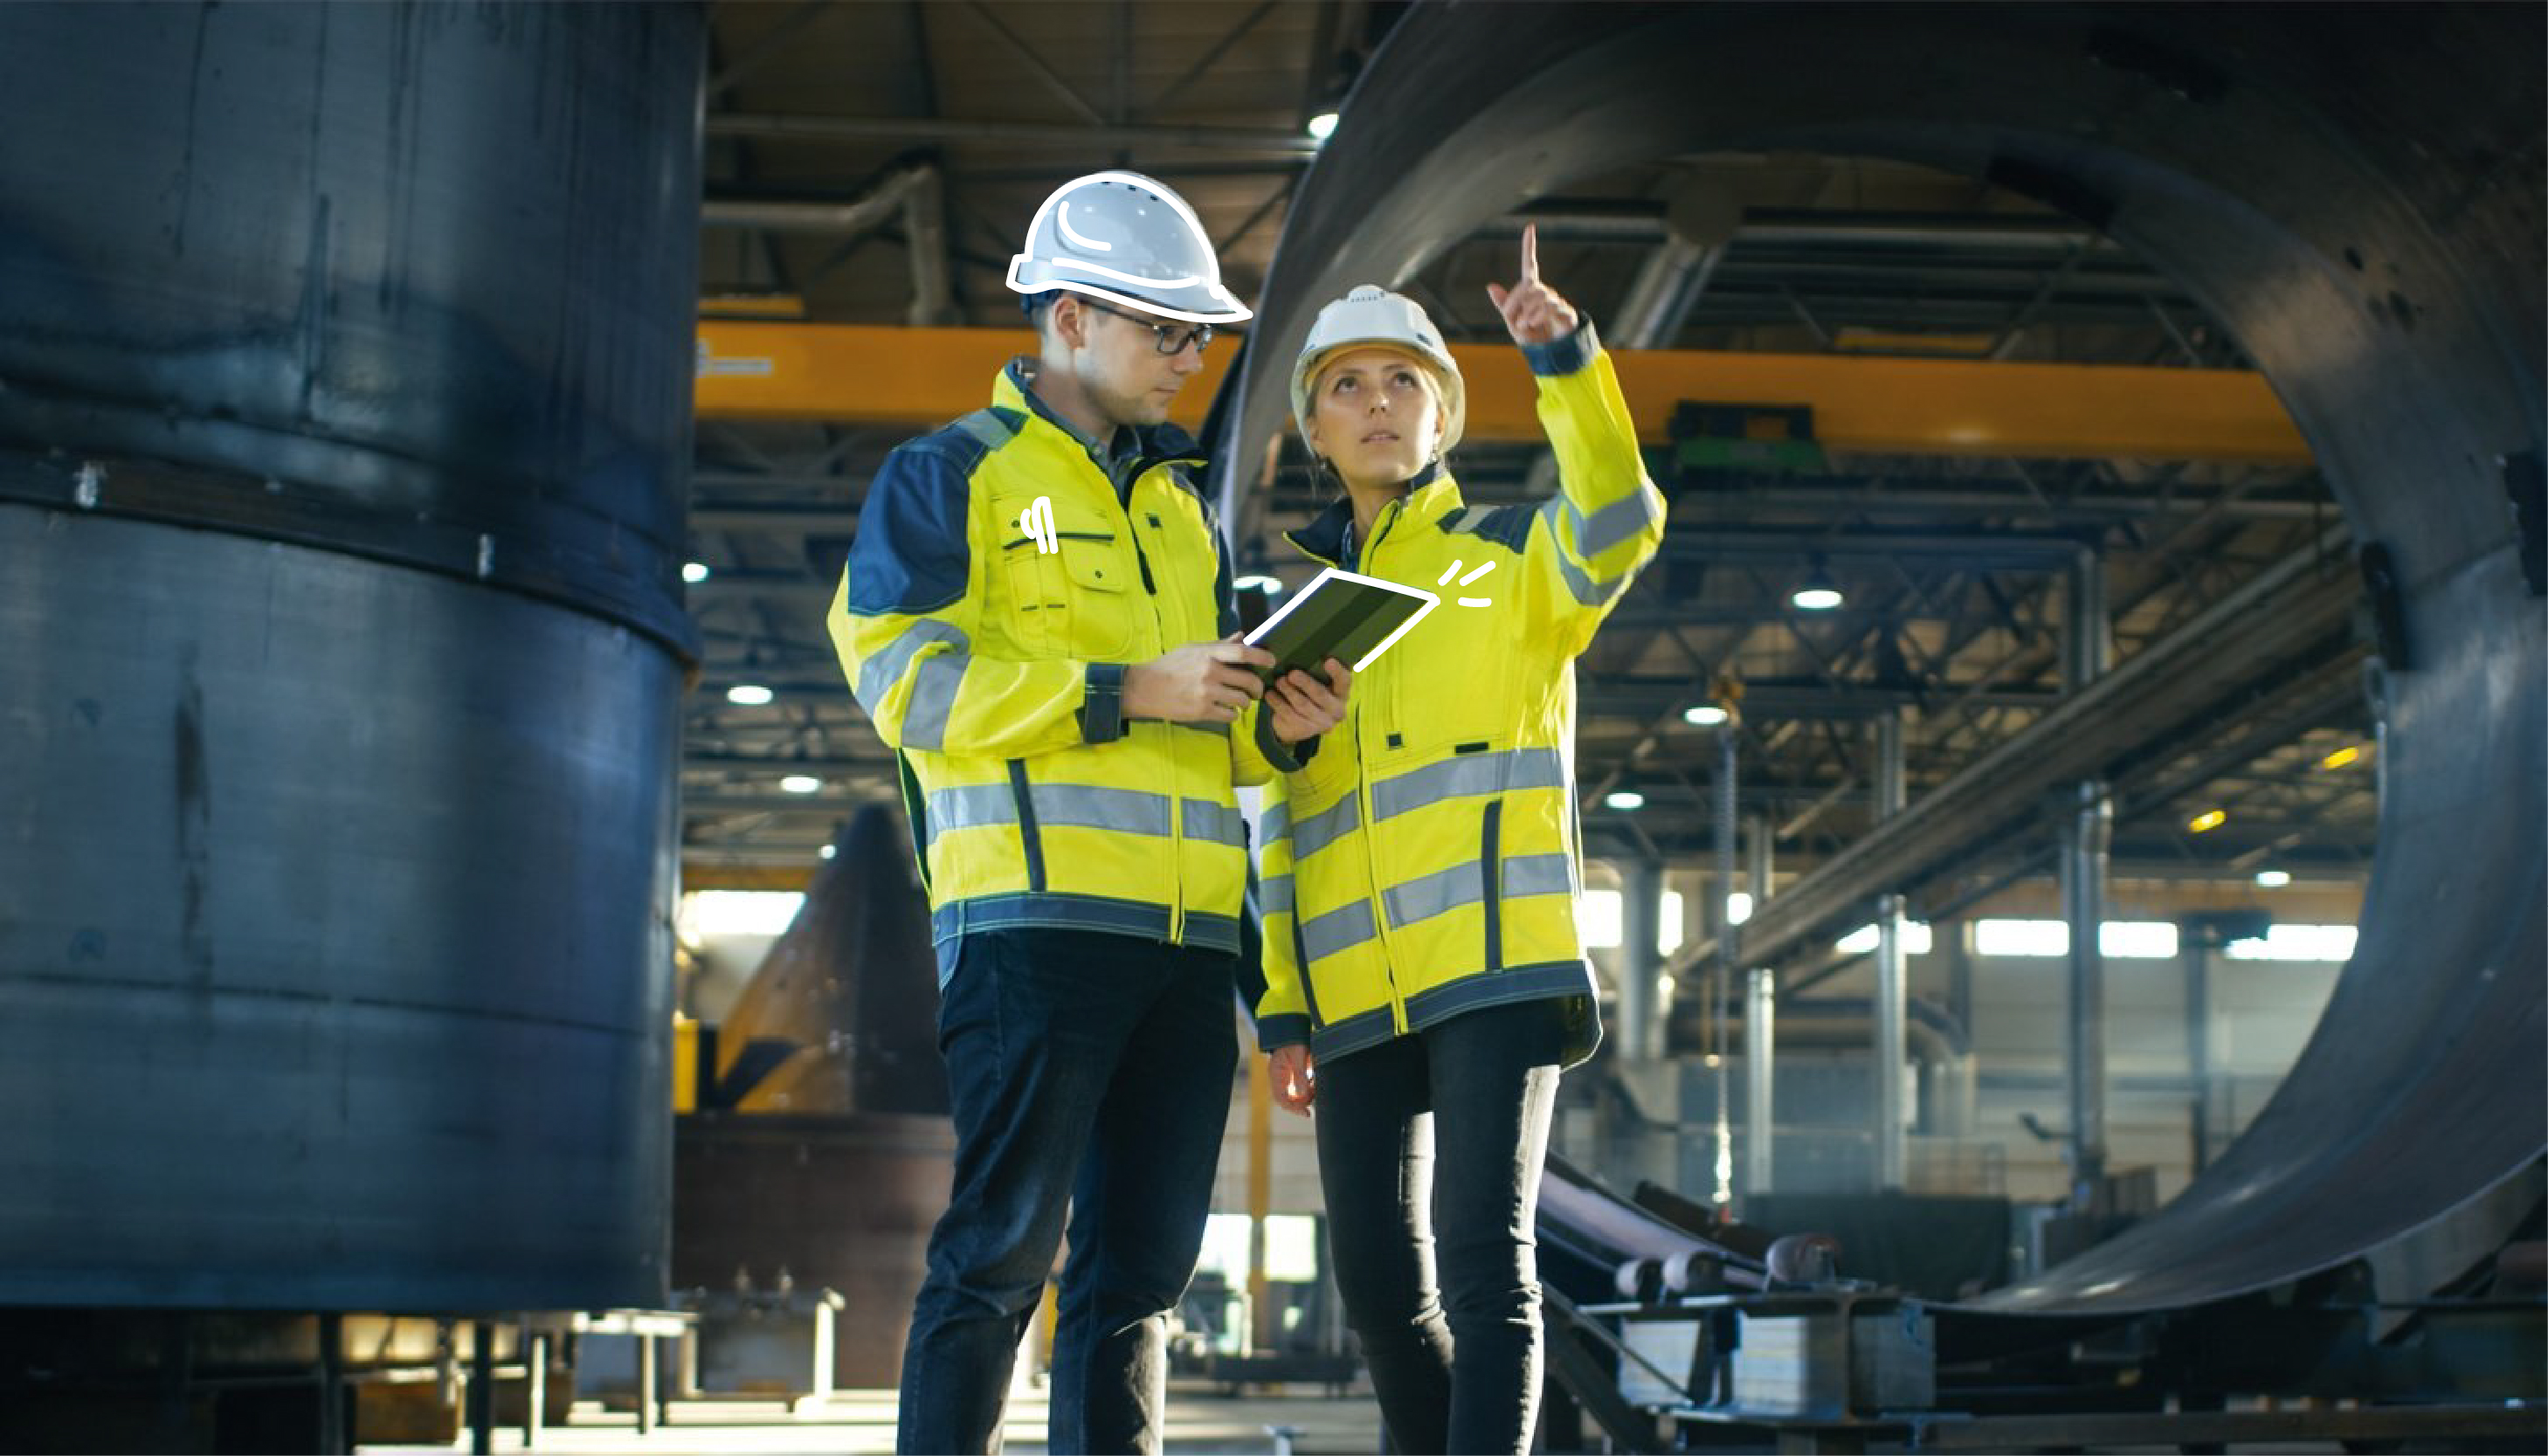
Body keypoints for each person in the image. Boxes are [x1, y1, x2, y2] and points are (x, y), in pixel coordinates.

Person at [829, 169, 1351, 1455]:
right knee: (1001, 1254)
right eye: (1162, 331)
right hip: (1030, 930)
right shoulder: (950, 474)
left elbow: (1197, 730)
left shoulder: (1183, 516)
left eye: (1197, 337)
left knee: (1141, 1277)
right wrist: (1123, 687)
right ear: (1067, 318)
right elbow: (904, 681)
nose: (1187, 359)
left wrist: (1270, 726)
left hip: (1180, 949)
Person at [1252, 226, 1666, 1454]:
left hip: (1491, 968)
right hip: (1354, 1000)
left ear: (1441, 419)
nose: (1377, 405)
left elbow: (1619, 516)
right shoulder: (1295, 627)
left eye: (1405, 384)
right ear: (1315, 432)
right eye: (1346, 387)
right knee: (1380, 1291)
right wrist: (1282, 1008)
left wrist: (1568, 365)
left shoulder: (1509, 565)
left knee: (1488, 1274)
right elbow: (1281, 827)